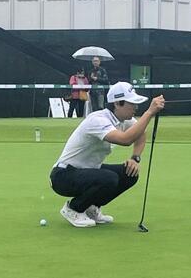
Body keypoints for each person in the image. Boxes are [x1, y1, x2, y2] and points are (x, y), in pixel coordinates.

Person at [50, 82, 165, 228]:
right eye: (132, 103)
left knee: (129, 174)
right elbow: (126, 140)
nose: (136, 107)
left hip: (88, 171)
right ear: (117, 103)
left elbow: (141, 134)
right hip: (63, 176)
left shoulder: (125, 120)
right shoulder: (98, 119)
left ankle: (91, 207)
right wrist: (149, 113)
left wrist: (135, 158)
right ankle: (74, 208)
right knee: (108, 178)